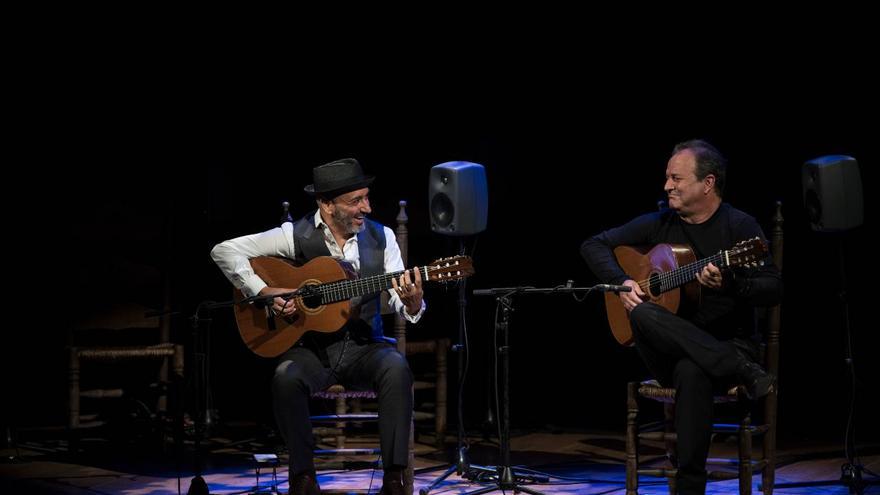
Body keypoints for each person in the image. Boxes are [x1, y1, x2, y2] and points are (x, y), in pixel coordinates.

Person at [211, 158, 425, 495]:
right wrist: (262, 291)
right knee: (285, 378)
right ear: (326, 205)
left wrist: (412, 302)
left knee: (397, 368)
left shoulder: (382, 237)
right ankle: (304, 478)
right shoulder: (292, 235)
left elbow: (400, 299)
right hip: (312, 351)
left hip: (363, 346)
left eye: (366, 198)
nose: (366, 208)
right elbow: (224, 251)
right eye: (356, 201)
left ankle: (395, 480)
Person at [580, 139, 782, 495]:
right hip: (671, 353)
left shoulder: (740, 227)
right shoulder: (660, 223)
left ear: (707, 183)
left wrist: (732, 284)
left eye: (676, 178)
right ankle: (743, 371)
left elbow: (773, 287)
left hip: (727, 342)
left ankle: (689, 488)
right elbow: (593, 244)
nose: (666, 186)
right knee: (641, 312)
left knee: (692, 370)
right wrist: (623, 282)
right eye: (667, 177)